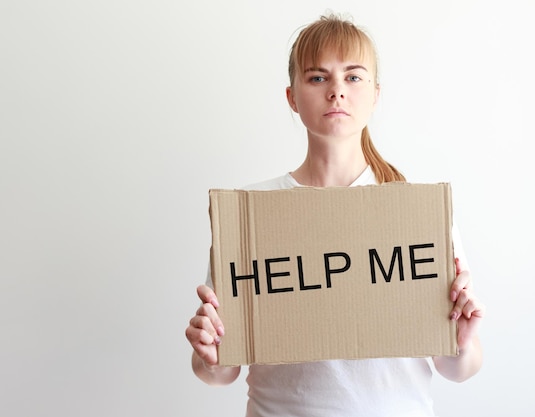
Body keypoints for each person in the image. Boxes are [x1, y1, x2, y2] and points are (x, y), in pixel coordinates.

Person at [185, 13, 485, 417]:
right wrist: (208, 352)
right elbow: (221, 371)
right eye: (317, 77)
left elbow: (457, 368)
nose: (337, 92)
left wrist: (461, 340)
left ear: (376, 94)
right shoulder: (249, 215)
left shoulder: (417, 214)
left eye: (353, 77)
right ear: (292, 96)